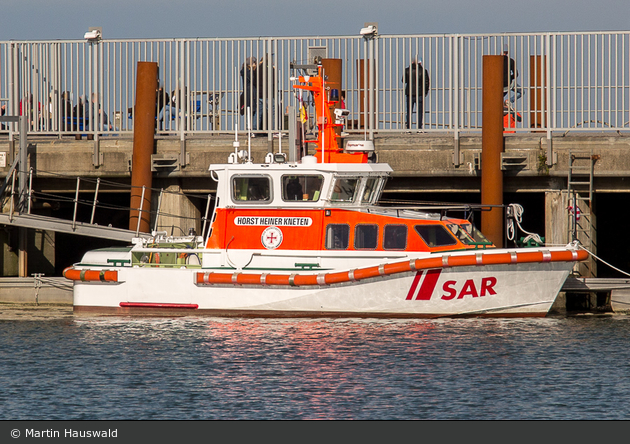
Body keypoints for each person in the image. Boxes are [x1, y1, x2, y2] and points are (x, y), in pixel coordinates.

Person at [403, 57, 430, 130]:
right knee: (420, 112)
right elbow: (427, 83)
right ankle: (419, 128)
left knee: (409, 112)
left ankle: (408, 127)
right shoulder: (423, 71)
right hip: (420, 93)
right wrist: (425, 92)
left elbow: (403, 80)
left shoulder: (407, 70)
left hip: (409, 93)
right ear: (420, 63)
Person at [240, 57, 257, 131]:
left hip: (249, 92)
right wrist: (253, 70)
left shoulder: (245, 71)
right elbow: (252, 79)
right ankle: (249, 128)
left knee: (251, 110)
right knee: (250, 109)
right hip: (249, 93)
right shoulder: (246, 71)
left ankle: (250, 127)